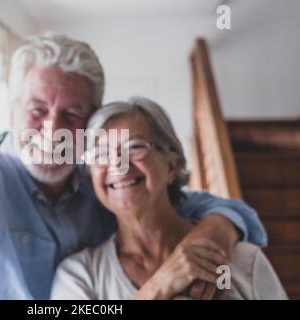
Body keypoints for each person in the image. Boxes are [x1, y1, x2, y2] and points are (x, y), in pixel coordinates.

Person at [0, 33, 267, 299]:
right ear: (13, 112)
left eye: (72, 113)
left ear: (91, 126)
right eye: (37, 110)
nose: (53, 129)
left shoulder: (106, 187)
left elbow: (186, 202)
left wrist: (217, 230)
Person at [51, 98, 286, 300]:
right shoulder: (80, 276)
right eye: (100, 154)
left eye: (134, 147)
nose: (118, 165)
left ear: (172, 166)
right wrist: (159, 286)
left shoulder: (243, 260)